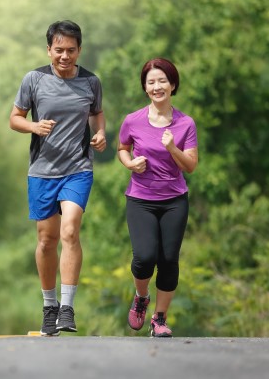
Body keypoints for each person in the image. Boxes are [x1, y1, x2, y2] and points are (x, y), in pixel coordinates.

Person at [9, 20, 106, 336]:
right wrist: (33, 127)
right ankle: (49, 306)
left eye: (71, 50)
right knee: (46, 240)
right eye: (59, 50)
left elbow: (96, 112)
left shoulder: (90, 82)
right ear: (49, 49)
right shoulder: (34, 79)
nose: (65, 56)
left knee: (70, 231)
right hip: (42, 171)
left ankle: (67, 307)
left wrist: (101, 133)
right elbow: (14, 119)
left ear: (80, 50)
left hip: (78, 169)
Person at [117, 58, 198, 338]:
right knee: (144, 257)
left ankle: (159, 319)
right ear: (145, 88)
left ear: (173, 85)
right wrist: (129, 164)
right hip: (140, 198)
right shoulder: (133, 120)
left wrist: (173, 147)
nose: (156, 86)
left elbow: (190, 165)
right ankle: (141, 297)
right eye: (151, 82)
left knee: (168, 259)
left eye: (162, 80)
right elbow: (122, 148)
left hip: (174, 200)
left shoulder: (185, 123)